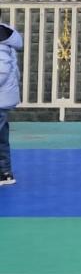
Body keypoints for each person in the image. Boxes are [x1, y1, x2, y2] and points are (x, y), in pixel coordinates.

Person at [0, 16, 20, 186]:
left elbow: (2, 71)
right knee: (1, 136)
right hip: (4, 97)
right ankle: (5, 173)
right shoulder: (5, 35)